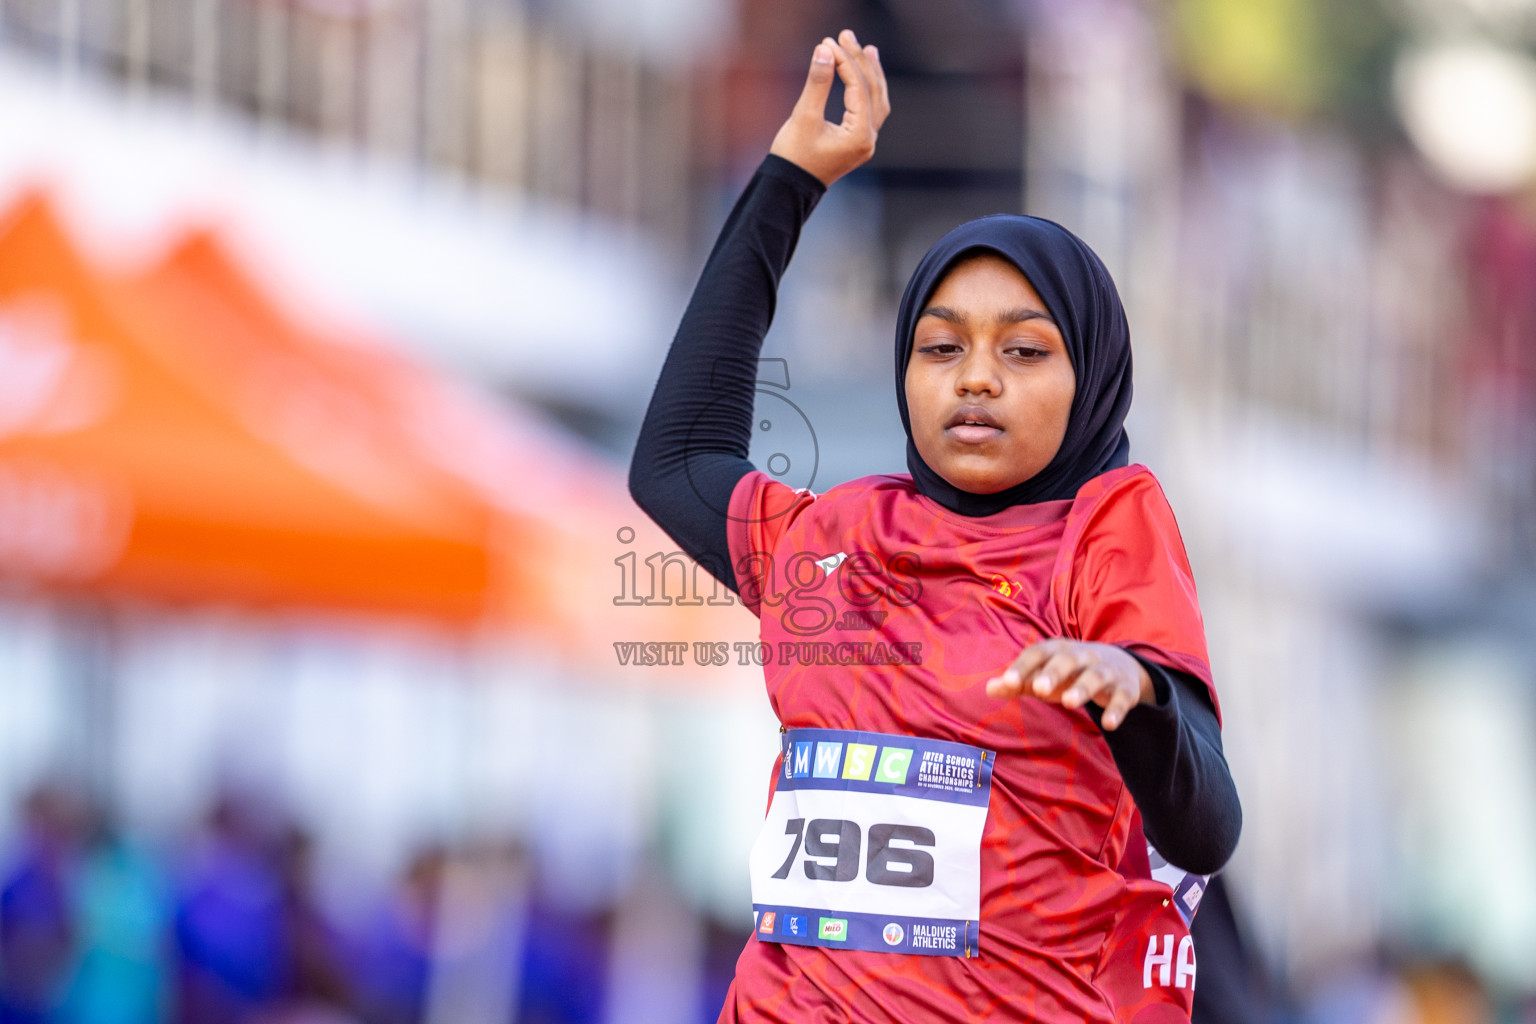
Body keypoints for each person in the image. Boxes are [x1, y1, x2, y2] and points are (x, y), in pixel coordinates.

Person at [629, 29, 1241, 1023]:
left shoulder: (1103, 525)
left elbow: (1207, 825)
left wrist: (1140, 694)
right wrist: (790, 179)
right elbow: (675, 465)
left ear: (1092, 376)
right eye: (940, 345)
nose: (976, 376)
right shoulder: (838, 536)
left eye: (1026, 349)